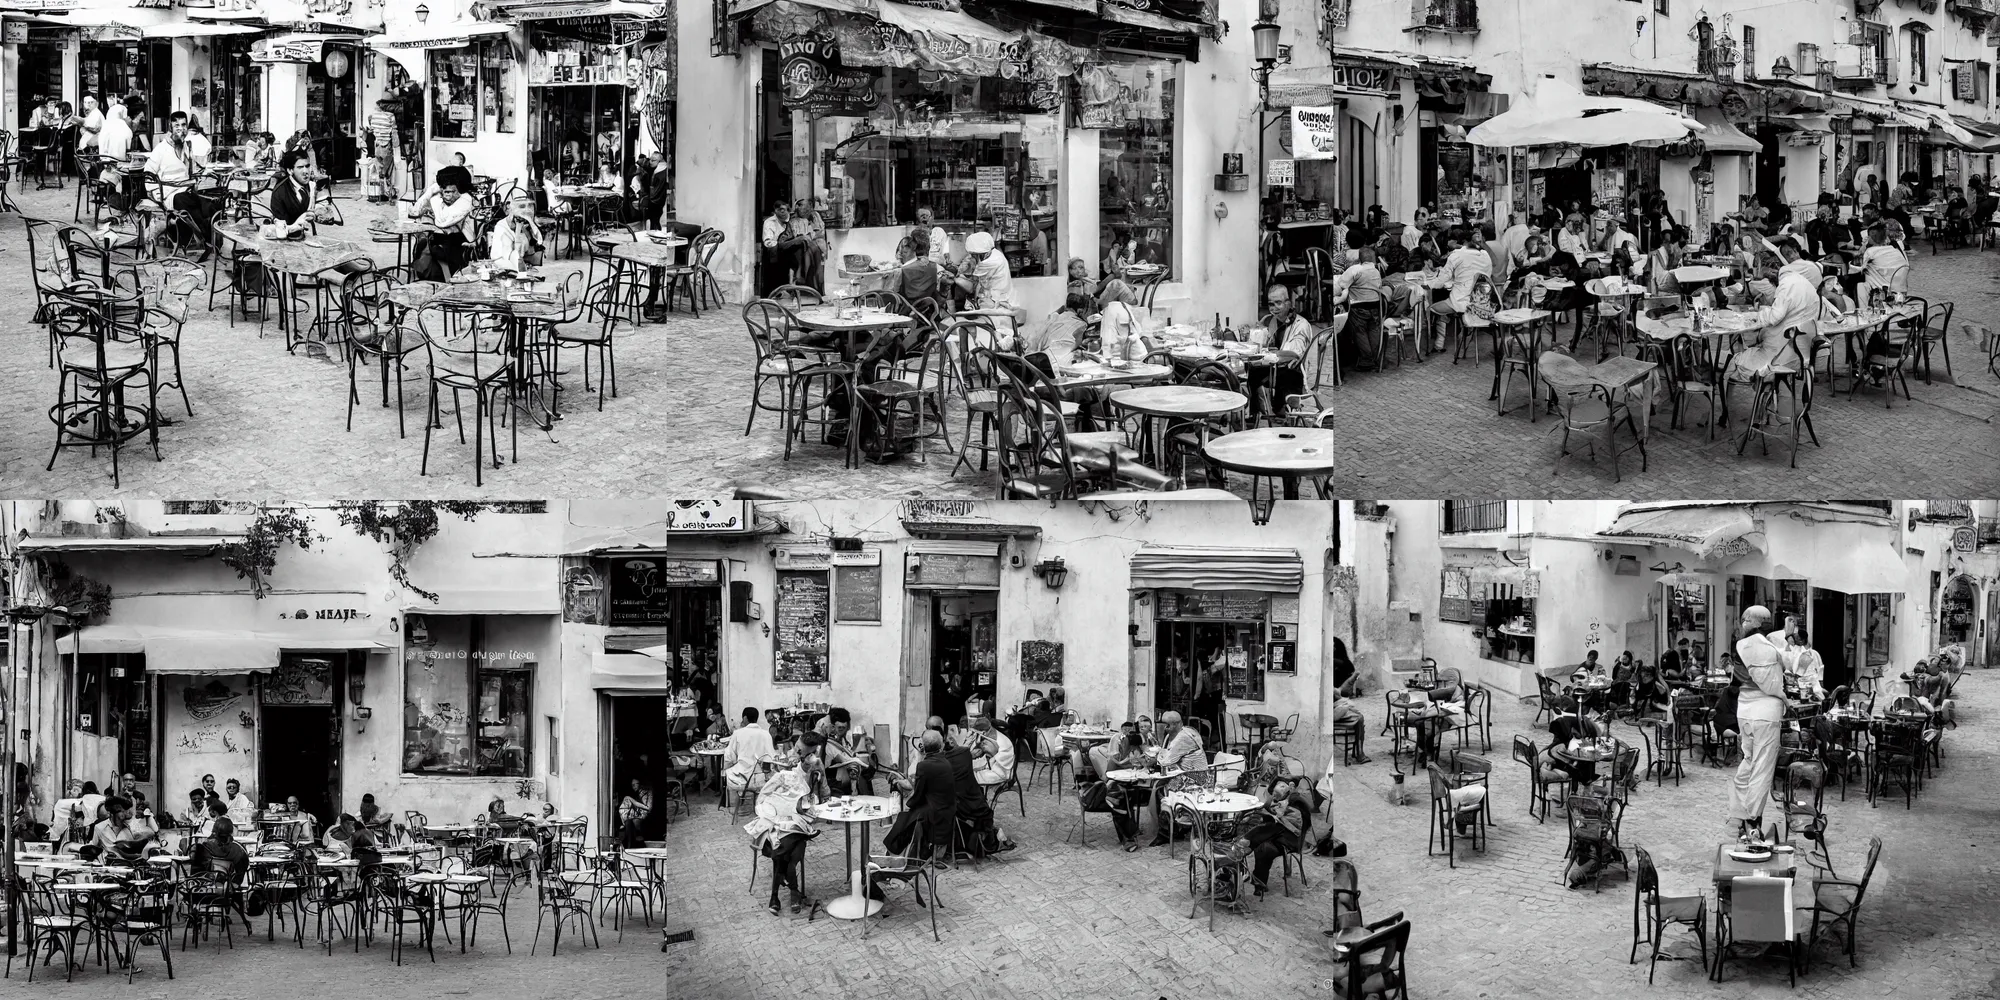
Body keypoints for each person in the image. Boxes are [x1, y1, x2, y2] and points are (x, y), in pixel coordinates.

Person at [1729, 606, 1791, 842]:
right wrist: (1785, 698)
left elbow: (1736, 684)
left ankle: (1742, 816)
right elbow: (1772, 683)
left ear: (1748, 622)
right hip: (1765, 714)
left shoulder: (1741, 647)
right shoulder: (1763, 647)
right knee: (1762, 769)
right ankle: (1752, 821)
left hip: (1745, 712)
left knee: (1748, 763)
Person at [746, 735, 825, 915]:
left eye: (804, 753)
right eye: (799, 751)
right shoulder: (783, 772)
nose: (797, 755)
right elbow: (763, 798)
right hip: (776, 824)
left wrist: (817, 777)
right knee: (787, 850)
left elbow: (820, 800)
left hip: (799, 824)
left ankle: (775, 897)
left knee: (783, 849)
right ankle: (793, 892)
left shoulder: (814, 771)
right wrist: (771, 813)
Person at [142, 111, 221, 246]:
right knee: (183, 200)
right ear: (170, 128)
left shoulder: (186, 146)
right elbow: (148, 174)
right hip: (169, 193)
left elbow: (193, 169)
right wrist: (158, 194)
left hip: (187, 189)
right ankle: (206, 235)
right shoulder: (161, 149)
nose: (181, 129)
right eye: (177, 125)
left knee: (213, 197)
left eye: (183, 125)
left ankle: (210, 233)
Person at [940, 725, 1014, 854]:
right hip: (963, 808)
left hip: (948, 806)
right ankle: (988, 843)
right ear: (950, 742)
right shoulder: (962, 757)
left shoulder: (937, 761)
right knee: (984, 810)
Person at [883, 730, 955, 858]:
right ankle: (895, 852)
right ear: (941, 745)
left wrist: (909, 805)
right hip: (946, 808)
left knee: (904, 819)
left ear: (922, 746)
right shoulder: (946, 761)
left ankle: (893, 853)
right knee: (907, 817)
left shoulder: (924, 765)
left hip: (934, 812)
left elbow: (919, 793)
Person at [1242, 776, 1312, 898]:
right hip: (1278, 835)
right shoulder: (1282, 801)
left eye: (1276, 792)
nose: (1274, 796)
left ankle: (1244, 848)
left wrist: (1273, 816)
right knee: (1262, 843)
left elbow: (1289, 824)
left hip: (1291, 839)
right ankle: (1259, 882)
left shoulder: (1296, 802)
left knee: (1264, 844)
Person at [1247, 283, 1312, 405]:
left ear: (1288, 303)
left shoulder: (1301, 325)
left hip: (1293, 372)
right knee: (1250, 371)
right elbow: (1258, 343)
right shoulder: (1270, 320)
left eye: (1278, 303)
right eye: (1271, 304)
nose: (1274, 308)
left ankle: (1282, 410)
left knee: (1284, 375)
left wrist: (1270, 353)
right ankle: (1254, 410)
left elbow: (1294, 354)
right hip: (1274, 369)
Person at [410, 164, 477, 280]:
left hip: (460, 243)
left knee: (436, 251)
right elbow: (415, 211)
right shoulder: (444, 196)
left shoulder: (466, 199)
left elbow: (443, 221)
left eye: (447, 187)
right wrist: (430, 191)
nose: (444, 191)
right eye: (442, 187)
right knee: (423, 245)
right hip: (443, 240)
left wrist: (433, 197)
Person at [954, 231, 1016, 311]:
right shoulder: (993, 253)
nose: (971, 256)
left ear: (983, 253)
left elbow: (972, 287)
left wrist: (954, 278)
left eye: (974, 254)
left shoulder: (991, 262)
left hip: (997, 302)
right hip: (992, 296)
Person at [85, 795, 157, 864]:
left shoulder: (131, 826)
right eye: (122, 811)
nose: (126, 812)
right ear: (112, 813)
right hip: (109, 868)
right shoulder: (99, 827)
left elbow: (151, 833)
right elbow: (92, 848)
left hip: (131, 866)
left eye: (126, 809)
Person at [487, 191, 547, 271]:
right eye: (522, 206)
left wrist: (528, 225)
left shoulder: (525, 224)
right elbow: (502, 257)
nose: (527, 210)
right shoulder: (502, 227)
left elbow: (538, 241)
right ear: (509, 208)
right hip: (505, 264)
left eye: (530, 206)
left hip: (523, 262)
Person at [892, 230, 944, 314]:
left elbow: (895, 295)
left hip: (907, 310)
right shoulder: (935, 266)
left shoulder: (903, 270)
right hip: (929, 310)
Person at [269, 149, 319, 236]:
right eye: (300, 167)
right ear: (290, 170)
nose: (306, 172)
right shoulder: (280, 193)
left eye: (307, 166)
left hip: (309, 239)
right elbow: (280, 231)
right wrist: (296, 225)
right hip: (286, 243)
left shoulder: (311, 185)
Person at [1783, 629, 1825, 701]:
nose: (1794, 641)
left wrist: (1821, 686)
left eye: (1796, 639)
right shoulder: (1795, 652)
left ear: (1801, 641)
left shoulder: (1813, 654)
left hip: (1810, 685)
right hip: (1798, 685)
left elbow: (1820, 671)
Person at [617, 778, 655, 847]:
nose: (633, 786)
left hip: (644, 814)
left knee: (633, 822)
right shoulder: (634, 793)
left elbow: (648, 808)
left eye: (635, 784)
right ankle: (629, 846)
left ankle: (632, 843)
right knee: (628, 822)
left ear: (640, 784)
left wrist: (632, 800)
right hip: (635, 813)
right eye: (632, 785)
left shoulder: (647, 791)